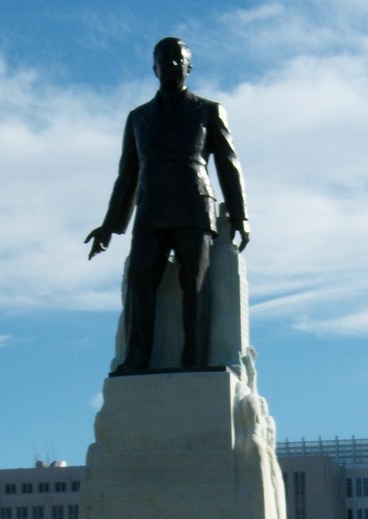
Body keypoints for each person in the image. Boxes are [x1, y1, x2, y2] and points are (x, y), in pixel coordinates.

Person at [85, 37, 249, 372]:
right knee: (140, 280)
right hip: (151, 209)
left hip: (194, 206)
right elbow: (127, 176)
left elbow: (228, 165)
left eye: (178, 59)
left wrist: (241, 215)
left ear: (189, 66)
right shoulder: (138, 117)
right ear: (153, 66)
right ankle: (137, 358)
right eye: (164, 59)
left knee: (195, 286)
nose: (171, 64)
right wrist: (110, 226)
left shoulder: (208, 110)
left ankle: (194, 360)